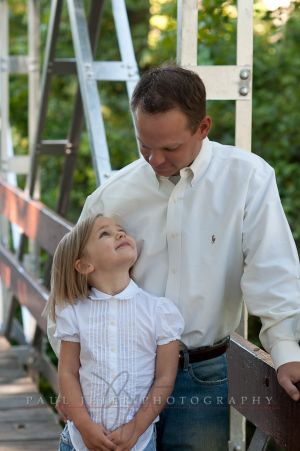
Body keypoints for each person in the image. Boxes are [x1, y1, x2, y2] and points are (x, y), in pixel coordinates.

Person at [48, 64, 300, 450]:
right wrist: (74, 385)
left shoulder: (247, 179)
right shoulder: (110, 197)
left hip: (202, 375)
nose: (154, 160)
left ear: (203, 128)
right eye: (144, 145)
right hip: (116, 379)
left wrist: (285, 353)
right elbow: (67, 289)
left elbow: (273, 274)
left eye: (169, 148)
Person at [46, 214, 184, 451]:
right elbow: (67, 372)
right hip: (81, 442)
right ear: (85, 265)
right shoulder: (74, 312)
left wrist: (135, 429)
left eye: (121, 230)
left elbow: (164, 379)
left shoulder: (160, 313)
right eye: (104, 234)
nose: (120, 234)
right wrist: (85, 426)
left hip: (137, 443)